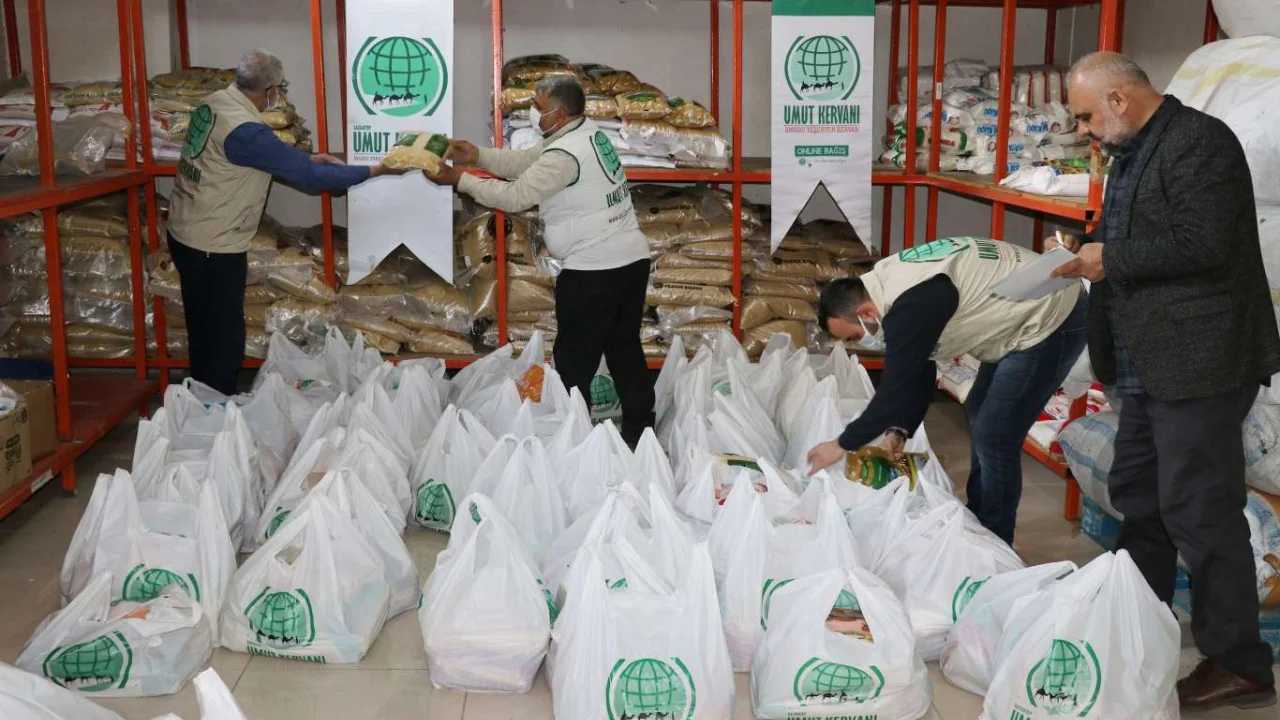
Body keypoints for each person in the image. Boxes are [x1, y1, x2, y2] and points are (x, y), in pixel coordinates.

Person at [1051, 52, 1278, 711]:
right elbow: (1136, 234)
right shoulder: (1133, 151)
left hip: (1201, 363)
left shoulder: (1199, 143)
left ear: (1121, 99)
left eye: (1089, 115)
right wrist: (1088, 249)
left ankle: (1242, 665)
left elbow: (1202, 243)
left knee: (1199, 511)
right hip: (1151, 364)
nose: (1086, 129)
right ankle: (1136, 625)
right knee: (1140, 497)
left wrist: (1109, 257)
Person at [806, 236, 1087, 546]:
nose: (860, 342)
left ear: (866, 312)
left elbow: (893, 394)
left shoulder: (909, 304)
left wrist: (840, 444)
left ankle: (995, 542)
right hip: (1018, 314)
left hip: (1051, 314)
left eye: (855, 335)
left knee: (996, 434)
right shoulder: (888, 285)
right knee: (980, 408)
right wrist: (900, 430)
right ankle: (981, 518)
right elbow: (920, 367)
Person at [422, 75, 654, 447]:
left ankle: (573, 441)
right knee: (624, 347)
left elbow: (517, 195)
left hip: (596, 270)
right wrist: (477, 156)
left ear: (559, 113)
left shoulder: (564, 155)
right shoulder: (584, 133)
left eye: (539, 107)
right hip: (630, 262)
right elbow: (525, 162)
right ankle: (641, 431)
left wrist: (459, 179)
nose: (533, 112)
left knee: (575, 362)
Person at [168, 50, 405, 395]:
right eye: (280, 89)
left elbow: (269, 156)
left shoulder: (216, 102)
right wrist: (377, 169)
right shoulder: (246, 130)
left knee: (203, 326)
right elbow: (309, 176)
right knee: (222, 336)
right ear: (270, 91)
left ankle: (202, 396)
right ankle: (214, 409)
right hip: (213, 245)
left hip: (186, 229)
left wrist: (306, 157)